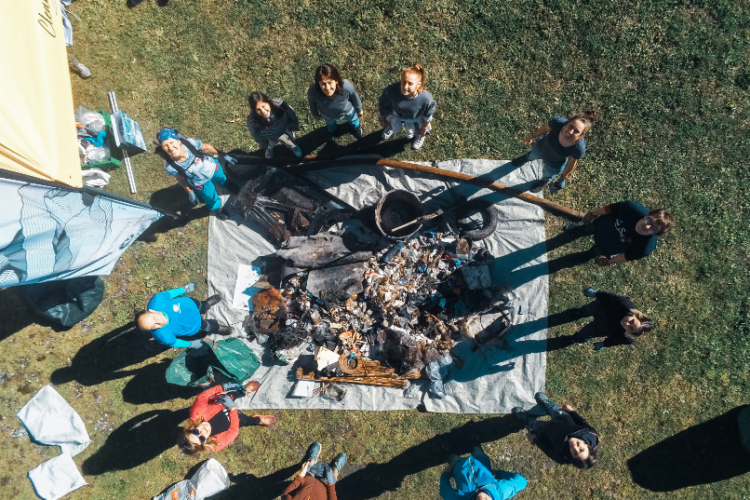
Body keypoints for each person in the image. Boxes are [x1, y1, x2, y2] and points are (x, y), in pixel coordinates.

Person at [561, 201, 675, 267]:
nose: (647, 226)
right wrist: (592, 213)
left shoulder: (646, 247)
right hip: (601, 225)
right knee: (586, 228)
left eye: (654, 229)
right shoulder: (631, 208)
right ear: (647, 215)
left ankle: (579, 259)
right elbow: (610, 209)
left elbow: (627, 256)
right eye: (649, 220)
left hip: (608, 247)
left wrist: (607, 262)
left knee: (592, 253)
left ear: (656, 234)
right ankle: (574, 231)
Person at [156, 128, 235, 221]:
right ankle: (217, 208)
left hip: (212, 168)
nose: (170, 147)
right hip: (199, 182)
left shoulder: (191, 143)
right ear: (162, 148)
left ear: (178, 141)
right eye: (165, 145)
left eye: (171, 142)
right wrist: (190, 191)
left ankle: (227, 184)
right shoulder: (170, 166)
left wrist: (222, 154)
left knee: (221, 177)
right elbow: (180, 179)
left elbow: (206, 147)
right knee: (209, 196)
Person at [510, 111, 595, 194]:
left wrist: (563, 178)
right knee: (531, 155)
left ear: (581, 135)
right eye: (571, 126)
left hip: (554, 164)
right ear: (567, 122)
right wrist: (532, 136)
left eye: (577, 131)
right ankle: (526, 158)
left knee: (548, 174)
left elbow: (571, 163)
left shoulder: (578, 148)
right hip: (541, 148)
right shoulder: (558, 123)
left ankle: (543, 181)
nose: (570, 131)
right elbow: (546, 128)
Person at [178, 382, 275, 455]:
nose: (203, 432)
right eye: (202, 438)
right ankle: (257, 420)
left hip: (220, 402)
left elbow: (203, 396)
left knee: (231, 395)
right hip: (231, 421)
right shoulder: (215, 444)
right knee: (244, 420)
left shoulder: (197, 413)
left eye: (196, 432)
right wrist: (232, 408)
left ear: (191, 428)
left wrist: (223, 387)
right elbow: (233, 432)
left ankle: (243, 391)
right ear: (204, 443)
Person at [512, 393, 599, 469]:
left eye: (575, 453)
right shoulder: (591, 434)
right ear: (587, 446)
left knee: (534, 424)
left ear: (572, 457)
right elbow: (582, 422)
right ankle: (547, 403)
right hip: (564, 420)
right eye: (581, 449)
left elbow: (547, 449)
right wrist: (572, 412)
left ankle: (524, 417)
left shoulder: (562, 457)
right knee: (554, 410)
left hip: (548, 432)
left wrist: (535, 439)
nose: (575, 447)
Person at [135, 282, 233, 348]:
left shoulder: (157, 301)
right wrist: (190, 344)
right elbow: (175, 342)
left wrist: (185, 289)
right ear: (152, 330)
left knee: (201, 306)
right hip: (193, 325)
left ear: (152, 310)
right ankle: (216, 328)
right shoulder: (164, 336)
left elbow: (170, 294)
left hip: (190, 305)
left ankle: (206, 304)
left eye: (154, 318)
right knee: (206, 326)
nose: (159, 322)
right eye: (154, 326)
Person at [573, 287, 654, 350]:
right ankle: (579, 313)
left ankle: (577, 338)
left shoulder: (627, 337)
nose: (627, 323)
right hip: (601, 309)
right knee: (586, 310)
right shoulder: (624, 304)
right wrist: (595, 294)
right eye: (632, 321)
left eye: (630, 328)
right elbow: (609, 297)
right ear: (635, 315)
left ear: (630, 333)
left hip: (600, 328)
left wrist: (603, 344)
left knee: (584, 334)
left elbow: (615, 340)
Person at [378, 63, 436, 150]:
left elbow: (428, 115)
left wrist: (424, 127)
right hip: (397, 114)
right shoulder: (391, 91)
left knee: (419, 128)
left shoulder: (426, 99)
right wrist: (382, 119)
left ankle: (420, 135)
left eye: (410, 84)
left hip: (416, 117)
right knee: (393, 124)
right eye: (403, 82)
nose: (405, 87)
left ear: (418, 84)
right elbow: (383, 104)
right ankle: (391, 126)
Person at [440, 445, 527, 500]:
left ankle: (448, 449)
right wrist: (498, 473)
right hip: (480, 460)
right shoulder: (500, 491)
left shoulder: (461, 498)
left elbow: (444, 492)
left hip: (458, 465)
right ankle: (473, 440)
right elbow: (521, 481)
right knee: (476, 448)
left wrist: (445, 475)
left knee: (452, 457)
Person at [308, 64, 364, 143]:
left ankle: (357, 128)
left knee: (353, 120)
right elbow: (312, 103)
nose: (327, 88)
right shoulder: (313, 92)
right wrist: (315, 114)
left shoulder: (346, 86)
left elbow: (354, 96)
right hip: (328, 114)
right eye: (323, 84)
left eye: (330, 82)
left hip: (347, 111)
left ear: (336, 80)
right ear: (318, 83)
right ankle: (331, 131)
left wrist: (359, 109)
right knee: (330, 124)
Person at [281, 442, 346, 500]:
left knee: (309, 468)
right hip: (325, 486)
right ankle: (336, 470)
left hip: (307, 479)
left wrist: (301, 475)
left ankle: (312, 460)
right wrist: (330, 485)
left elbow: (286, 494)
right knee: (332, 477)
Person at [247, 92, 302, 159]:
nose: (263, 111)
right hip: (270, 136)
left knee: (290, 139)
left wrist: (294, 122)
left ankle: (293, 146)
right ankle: (269, 149)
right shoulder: (253, 120)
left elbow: (290, 112)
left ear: (268, 101)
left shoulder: (280, 105)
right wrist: (260, 139)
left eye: (263, 106)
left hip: (283, 129)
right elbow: (254, 132)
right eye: (258, 109)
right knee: (270, 144)